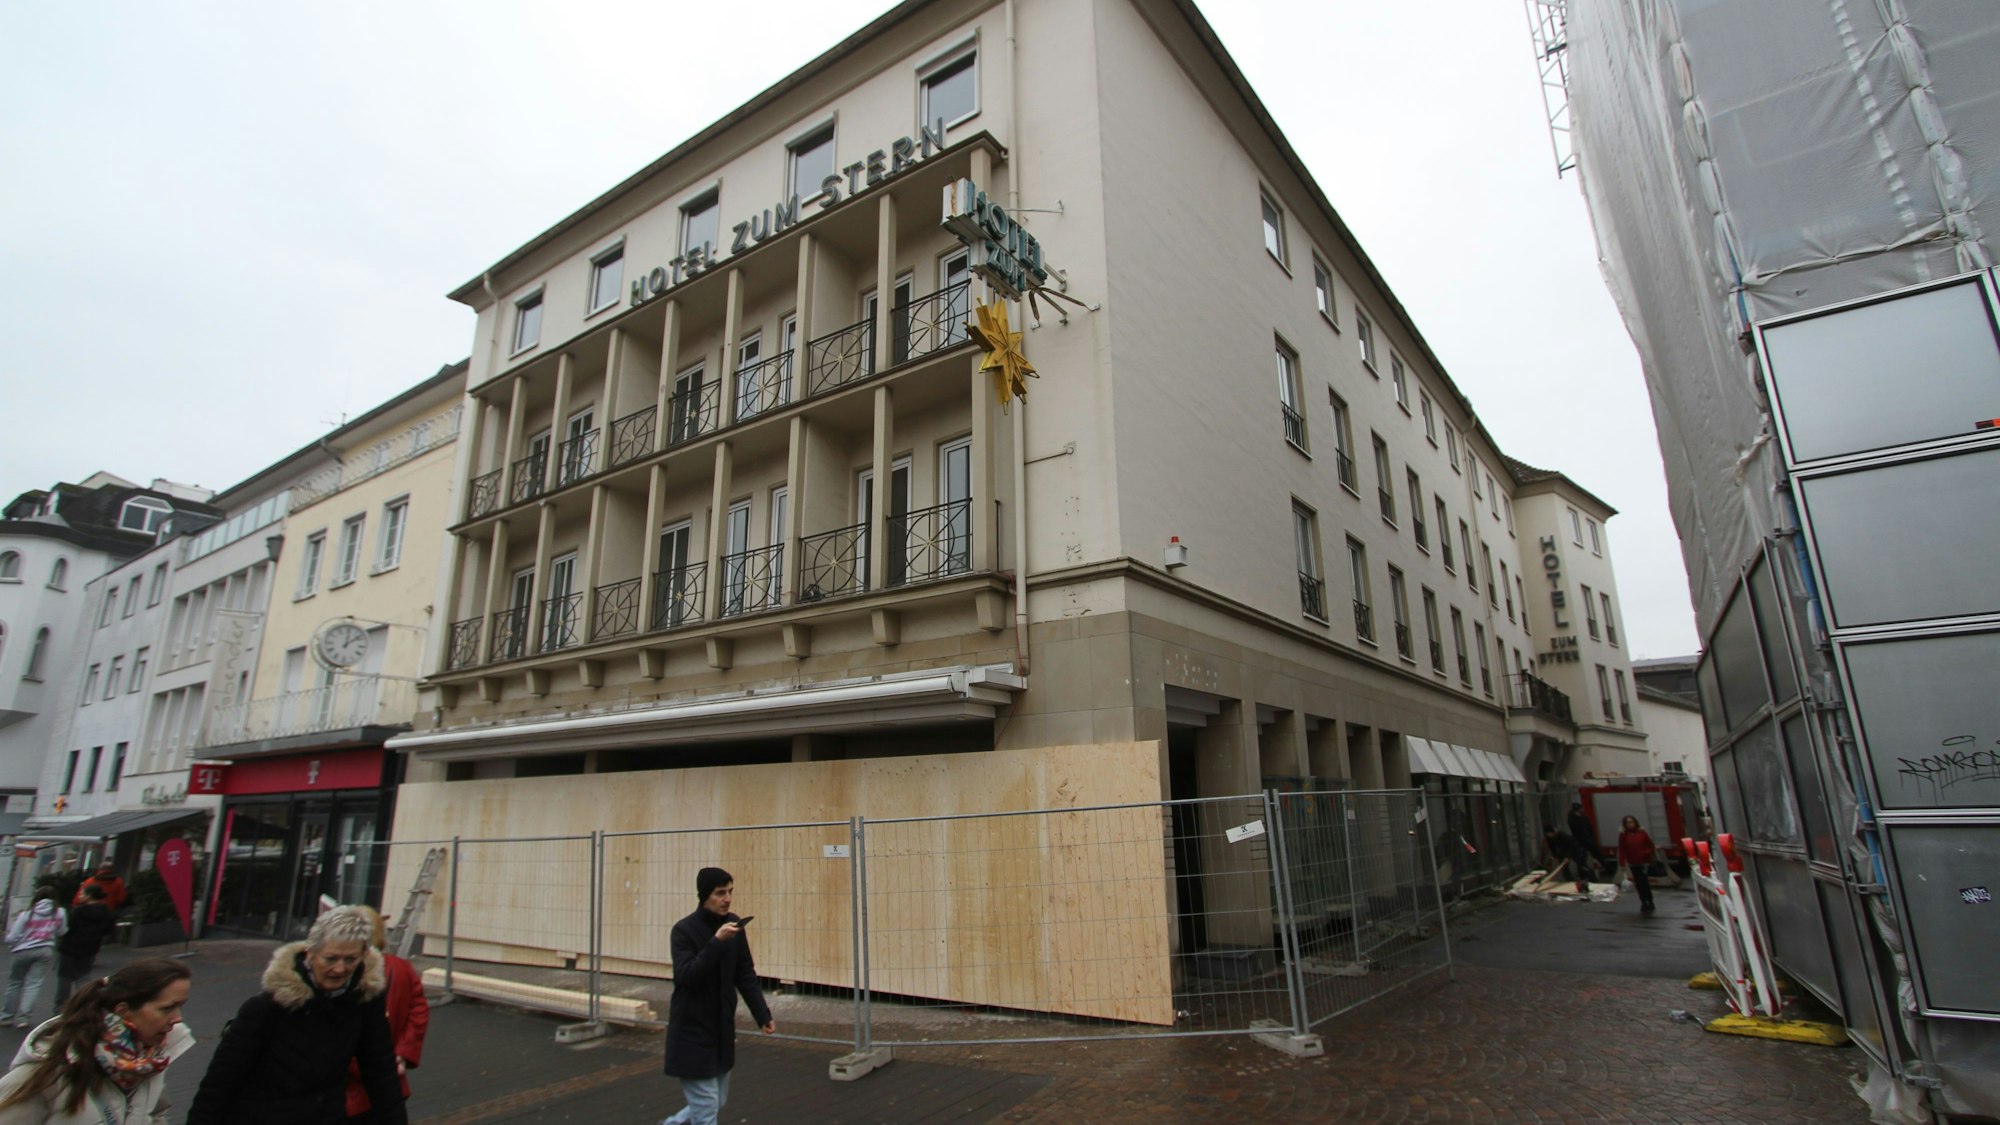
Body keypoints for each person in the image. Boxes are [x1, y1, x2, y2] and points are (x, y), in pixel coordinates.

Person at [186, 906, 407, 1125]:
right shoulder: (266, 1008)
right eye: (331, 959)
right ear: (310, 953)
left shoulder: (365, 1001)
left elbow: (381, 1071)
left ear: (364, 956)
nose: (340, 969)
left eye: (351, 960)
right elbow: (220, 1082)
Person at [0, 957, 193, 1125]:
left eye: (181, 1006)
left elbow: (155, 1113)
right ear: (123, 1011)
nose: (178, 1018)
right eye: (167, 1008)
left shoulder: (149, 1063)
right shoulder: (44, 1074)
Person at [662, 867, 774, 1125]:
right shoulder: (683, 931)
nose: (727, 899)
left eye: (730, 892)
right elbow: (687, 976)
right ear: (704, 896)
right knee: (707, 1108)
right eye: (719, 893)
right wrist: (716, 943)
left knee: (715, 1100)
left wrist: (762, 1015)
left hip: (720, 1031)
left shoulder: (733, 926)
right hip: (690, 1033)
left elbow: (744, 973)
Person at [342, 907, 427, 1125]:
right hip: (391, 1082)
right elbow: (419, 1011)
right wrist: (402, 1052)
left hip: (352, 1092)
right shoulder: (402, 968)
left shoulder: (346, 972)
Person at [1, 898, 67, 1028]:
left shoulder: (27, 913)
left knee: (15, 983)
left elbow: (13, 936)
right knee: (33, 984)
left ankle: (7, 1016)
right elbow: (62, 931)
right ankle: (23, 1018)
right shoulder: (59, 912)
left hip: (23, 950)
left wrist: (12, 943)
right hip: (45, 949)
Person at [52, 889, 114, 1009]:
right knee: (83, 977)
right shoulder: (105, 911)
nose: (79, 896)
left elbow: (67, 928)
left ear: (89, 896)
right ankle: (83, 1005)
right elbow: (108, 929)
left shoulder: (78, 911)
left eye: (82, 894)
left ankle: (60, 1008)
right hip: (90, 948)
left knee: (65, 979)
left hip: (70, 948)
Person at [1618, 815, 1659, 915]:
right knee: (1639, 883)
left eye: (1631, 822)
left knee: (1644, 882)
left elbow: (1650, 845)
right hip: (1633, 862)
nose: (1630, 824)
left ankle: (1649, 901)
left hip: (1643, 862)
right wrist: (1622, 863)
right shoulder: (1623, 836)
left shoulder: (1642, 833)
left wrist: (1647, 853)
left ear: (1635, 822)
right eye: (1627, 822)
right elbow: (1622, 849)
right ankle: (1643, 901)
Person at [1566, 803, 1600, 880]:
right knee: (1582, 861)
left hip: (1584, 841)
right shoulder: (1574, 819)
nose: (1582, 810)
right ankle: (1587, 876)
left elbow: (1589, 829)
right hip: (1581, 842)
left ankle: (1586, 875)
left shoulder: (1581, 818)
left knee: (1583, 861)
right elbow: (1579, 829)